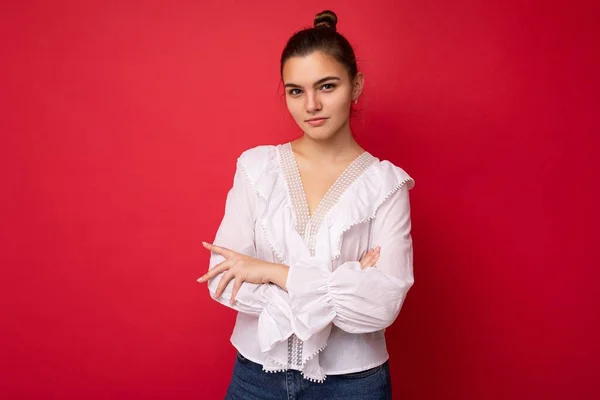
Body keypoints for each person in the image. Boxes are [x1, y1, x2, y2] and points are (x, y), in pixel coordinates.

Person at [197, 9, 415, 400]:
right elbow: (222, 279)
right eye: (296, 91)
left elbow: (381, 307)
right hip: (256, 376)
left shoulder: (386, 184)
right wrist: (343, 280)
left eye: (327, 86)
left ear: (356, 85)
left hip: (354, 385)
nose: (311, 104)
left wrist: (269, 271)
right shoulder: (256, 168)